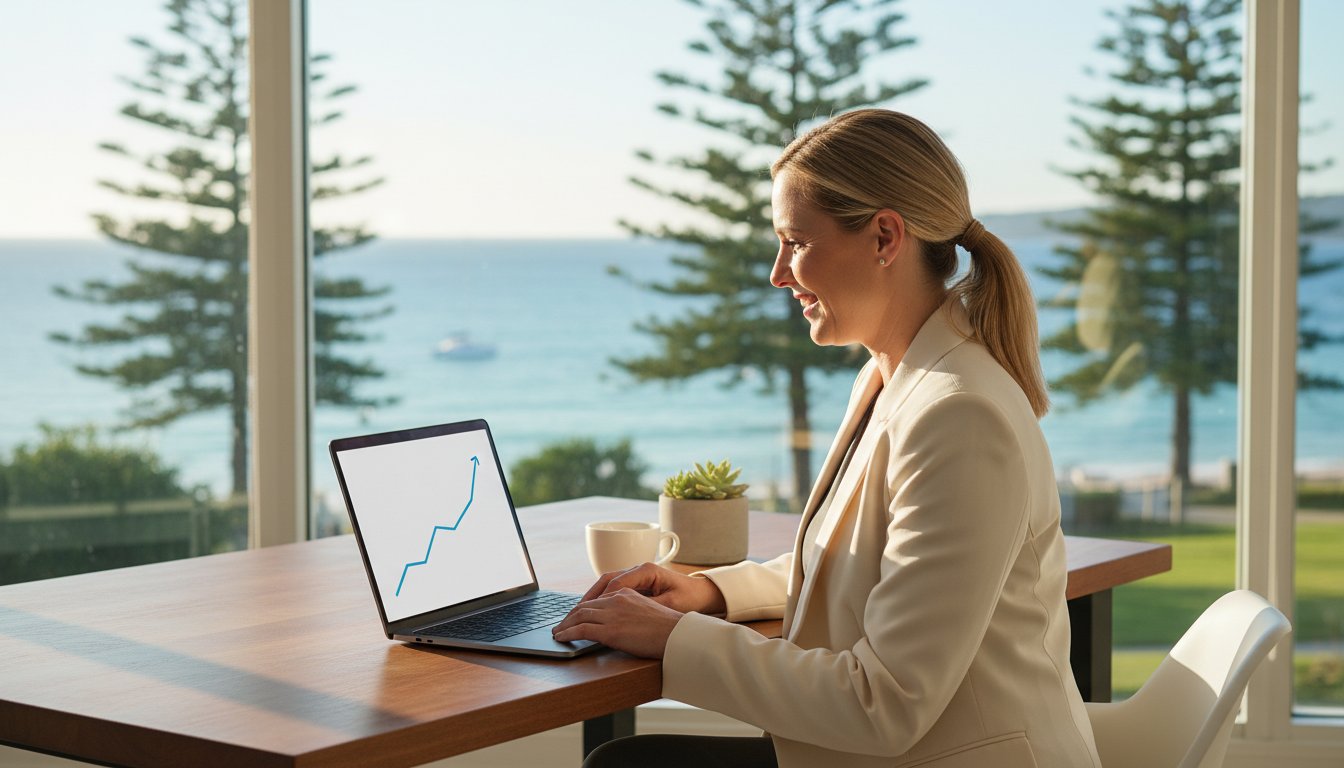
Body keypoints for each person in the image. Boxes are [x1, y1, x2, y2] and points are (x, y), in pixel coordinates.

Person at [551, 109, 1102, 768]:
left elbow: (885, 701)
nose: (778, 273)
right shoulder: (892, 376)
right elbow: (869, 563)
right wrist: (712, 593)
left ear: (884, 238)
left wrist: (678, 640)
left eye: (796, 242)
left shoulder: (959, 417)